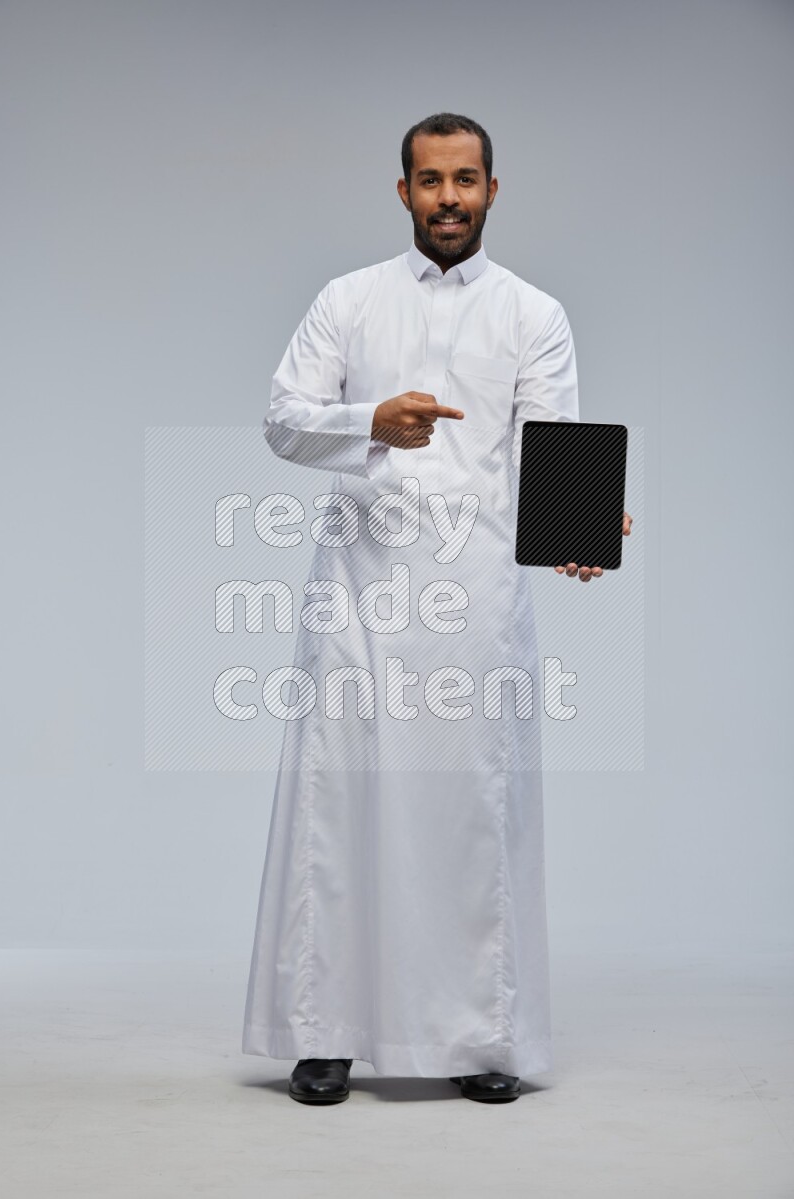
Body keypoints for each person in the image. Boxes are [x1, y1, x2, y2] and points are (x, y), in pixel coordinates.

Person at [242, 112, 633, 1105]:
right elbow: (283, 419)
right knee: (344, 804)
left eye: (465, 180)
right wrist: (366, 420)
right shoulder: (349, 300)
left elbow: (551, 438)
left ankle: (478, 1032)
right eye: (429, 180)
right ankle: (325, 1031)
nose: (447, 198)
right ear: (402, 190)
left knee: (472, 818)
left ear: (492, 191)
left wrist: (582, 524)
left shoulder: (532, 313)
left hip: (476, 604)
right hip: (362, 595)